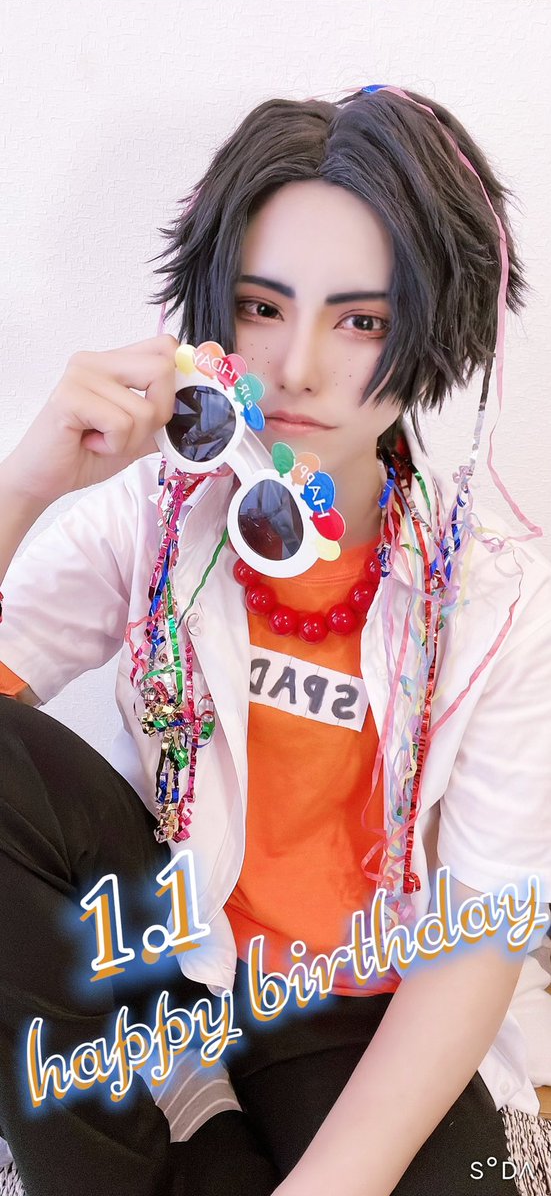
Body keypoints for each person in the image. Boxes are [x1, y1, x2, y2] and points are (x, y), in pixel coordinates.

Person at [0, 85, 550, 1196]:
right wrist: (29, 481)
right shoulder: (156, 512)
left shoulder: (497, 592)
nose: (295, 366)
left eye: (360, 321)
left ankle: (215, 1128)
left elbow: (481, 931)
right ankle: (173, 1116)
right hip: (161, 956)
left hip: (355, 1004)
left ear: (436, 330)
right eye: (260, 307)